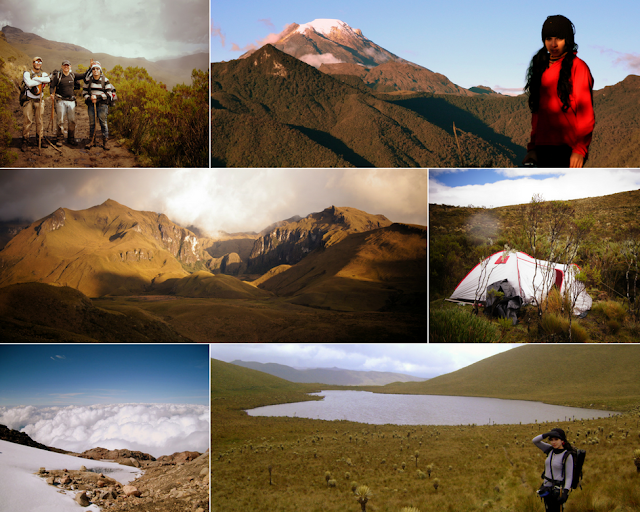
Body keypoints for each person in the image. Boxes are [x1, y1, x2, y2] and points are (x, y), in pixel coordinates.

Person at [523, 15, 595, 168]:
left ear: (567, 40)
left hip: (567, 149)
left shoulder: (578, 67)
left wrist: (580, 150)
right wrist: (533, 147)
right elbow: (537, 113)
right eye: (549, 38)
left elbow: (586, 113)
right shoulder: (540, 66)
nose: (553, 44)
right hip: (542, 148)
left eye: (559, 38)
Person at [532, 428, 573, 511]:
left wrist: (565, 493)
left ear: (562, 440)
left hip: (558, 491)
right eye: (551, 440)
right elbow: (535, 441)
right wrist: (547, 434)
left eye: (556, 439)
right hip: (546, 488)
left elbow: (569, 477)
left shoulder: (567, 456)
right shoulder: (550, 450)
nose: (553, 442)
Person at [49, 60, 85, 146]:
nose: (66, 67)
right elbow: (52, 85)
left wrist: (91, 68)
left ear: (70, 66)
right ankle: (59, 139)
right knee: (60, 121)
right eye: (64, 65)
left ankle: (71, 139)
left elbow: (83, 75)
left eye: (68, 65)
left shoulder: (73, 75)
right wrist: (51, 93)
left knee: (72, 121)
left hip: (71, 101)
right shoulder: (58, 76)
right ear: (62, 67)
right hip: (60, 101)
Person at [82, 61, 116, 150]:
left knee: (103, 123)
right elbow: (84, 92)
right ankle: (92, 140)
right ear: (92, 70)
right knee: (92, 124)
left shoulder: (105, 80)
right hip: (91, 105)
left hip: (102, 105)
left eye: (97, 69)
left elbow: (109, 93)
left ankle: (105, 142)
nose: (95, 70)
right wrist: (89, 98)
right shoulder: (88, 80)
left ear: (100, 70)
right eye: (93, 69)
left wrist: (97, 97)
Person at [21, 56, 51, 152]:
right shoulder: (27, 73)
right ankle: (25, 140)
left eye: (40, 62)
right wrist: (40, 79)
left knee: (40, 120)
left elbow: (48, 80)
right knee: (27, 121)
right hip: (28, 100)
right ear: (33, 63)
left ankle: (40, 139)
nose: (38, 63)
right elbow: (29, 84)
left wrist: (36, 79)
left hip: (39, 100)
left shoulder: (44, 73)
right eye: (36, 61)